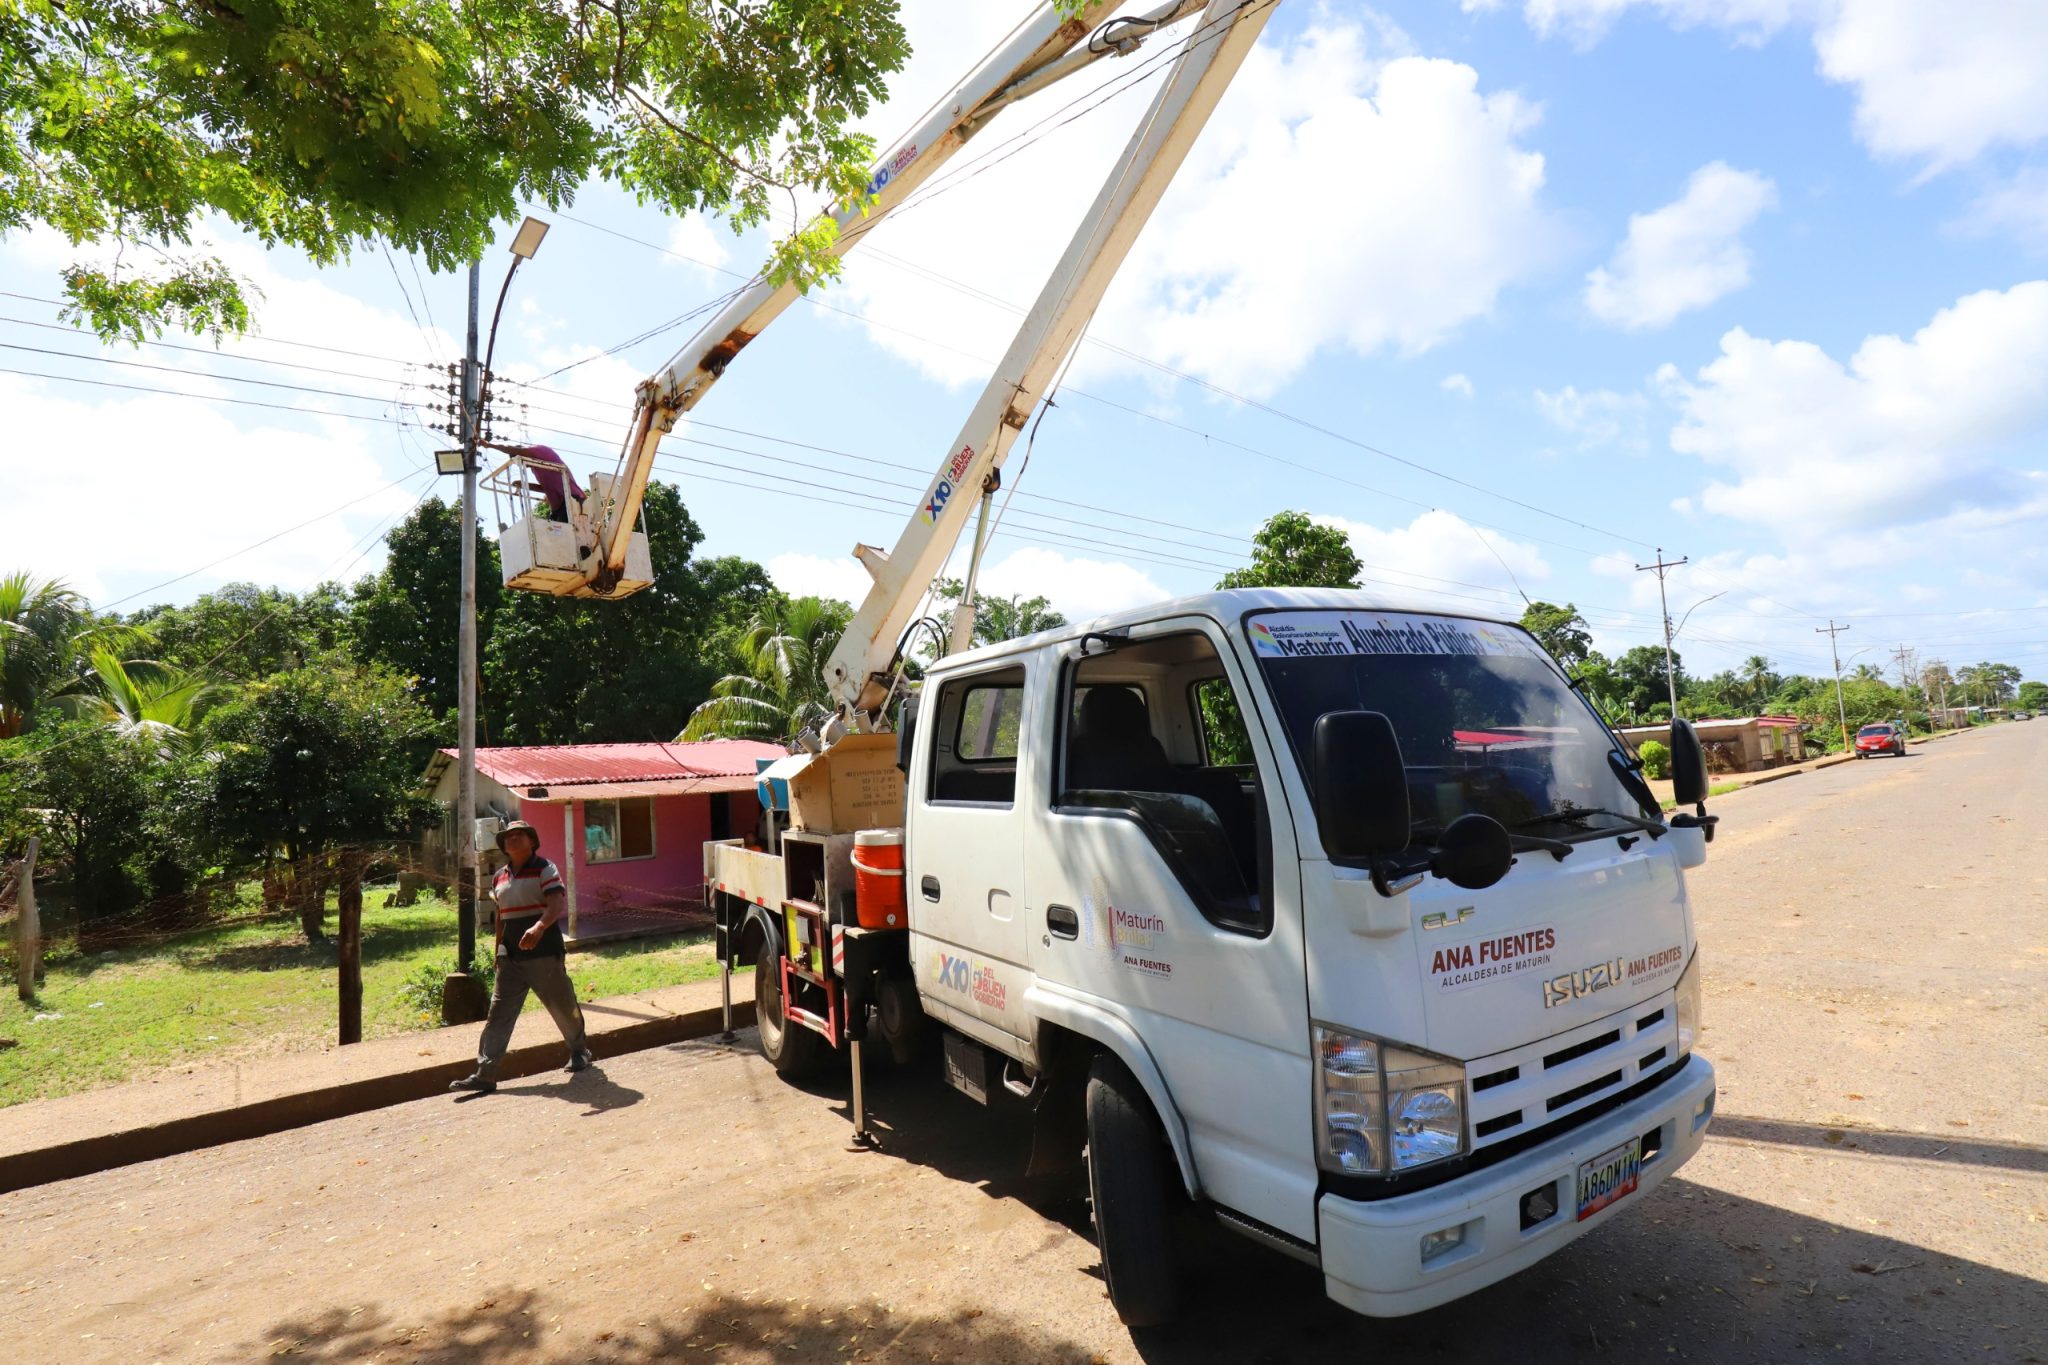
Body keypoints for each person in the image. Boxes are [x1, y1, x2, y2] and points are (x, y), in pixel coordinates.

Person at [449, 820, 593, 1094]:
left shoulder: (545, 868)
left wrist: (538, 928)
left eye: (519, 835)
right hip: (510, 958)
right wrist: (498, 952)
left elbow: (556, 904)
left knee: (562, 1006)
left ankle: (579, 1051)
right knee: (498, 1014)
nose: (512, 840)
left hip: (544, 953)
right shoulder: (499, 877)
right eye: (508, 837)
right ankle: (485, 1074)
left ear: (532, 841)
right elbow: (501, 917)